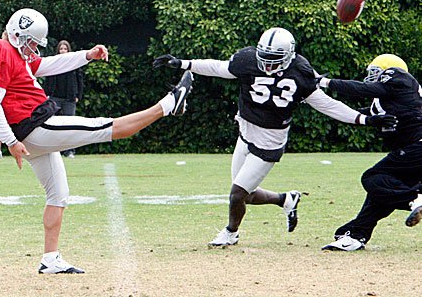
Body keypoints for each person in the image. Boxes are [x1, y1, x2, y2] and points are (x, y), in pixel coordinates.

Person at [0, 8, 193, 274]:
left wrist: (87, 56)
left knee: (58, 194)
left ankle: (51, 259)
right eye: (31, 42)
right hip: (34, 127)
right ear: (17, 33)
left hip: (30, 130)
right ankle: (168, 105)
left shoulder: (15, 55)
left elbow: (50, 65)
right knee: (103, 127)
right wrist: (9, 140)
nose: (33, 48)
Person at [153, 27, 397, 247]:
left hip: (270, 140)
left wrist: (363, 119)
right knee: (245, 194)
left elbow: (326, 104)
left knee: (237, 194)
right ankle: (286, 199)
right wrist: (183, 63)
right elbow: (219, 68)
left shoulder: (301, 72)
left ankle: (230, 233)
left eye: (275, 60)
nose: (268, 65)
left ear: (289, 55)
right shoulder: (247, 59)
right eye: (265, 59)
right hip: (245, 131)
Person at [317, 54, 422, 251]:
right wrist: (317, 101)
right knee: (381, 191)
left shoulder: (401, 78)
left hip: (416, 147)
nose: (371, 78)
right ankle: (357, 234)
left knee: (372, 177)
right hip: (412, 151)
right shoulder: (390, 100)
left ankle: (414, 199)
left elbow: (364, 89)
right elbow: (357, 114)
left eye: (376, 73)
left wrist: (325, 82)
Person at [43, 40, 83, 158]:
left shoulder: (74, 63)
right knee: (52, 124)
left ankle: (70, 150)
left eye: (65, 49)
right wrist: (47, 94)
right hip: (55, 97)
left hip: (69, 98)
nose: (63, 51)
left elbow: (79, 80)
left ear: (68, 50)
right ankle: (54, 150)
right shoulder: (54, 62)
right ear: (58, 51)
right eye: (61, 49)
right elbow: (48, 78)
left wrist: (78, 95)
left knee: (70, 124)